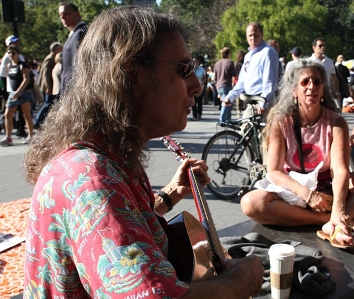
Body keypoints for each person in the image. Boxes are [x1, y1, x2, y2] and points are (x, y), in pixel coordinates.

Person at [23, 6, 263, 299]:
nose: (198, 86)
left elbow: (119, 231)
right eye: (184, 70)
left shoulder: (109, 157)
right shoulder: (91, 178)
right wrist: (242, 279)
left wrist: (171, 193)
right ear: (131, 73)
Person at [240, 59, 354, 248]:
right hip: (296, 193)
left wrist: (337, 205)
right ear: (294, 91)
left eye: (317, 81)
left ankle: (338, 216)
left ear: (323, 90)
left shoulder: (336, 122)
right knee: (250, 203)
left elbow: (339, 170)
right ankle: (327, 220)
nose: (311, 86)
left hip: (330, 192)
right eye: (305, 82)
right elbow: (273, 172)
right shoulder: (281, 123)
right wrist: (307, 194)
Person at [223, 22, 278, 116]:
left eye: (256, 35)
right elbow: (242, 81)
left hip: (262, 101)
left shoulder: (267, 52)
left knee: (246, 129)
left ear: (262, 35)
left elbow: (269, 81)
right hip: (250, 101)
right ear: (246, 36)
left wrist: (263, 103)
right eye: (250, 35)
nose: (253, 38)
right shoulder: (248, 56)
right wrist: (230, 97)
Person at [0, 46, 34, 146]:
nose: (11, 55)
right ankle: (8, 137)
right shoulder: (10, 66)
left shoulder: (23, 65)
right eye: (9, 53)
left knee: (26, 115)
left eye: (13, 53)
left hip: (23, 94)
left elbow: (26, 79)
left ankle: (31, 135)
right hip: (13, 93)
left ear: (18, 54)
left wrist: (18, 92)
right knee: (7, 115)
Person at [1, 35, 27, 138]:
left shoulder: (19, 57)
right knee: (9, 114)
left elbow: (25, 75)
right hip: (13, 90)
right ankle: (10, 135)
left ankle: (21, 131)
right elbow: (3, 73)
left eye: (17, 42)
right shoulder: (7, 57)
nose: (17, 44)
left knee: (24, 114)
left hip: (20, 90)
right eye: (14, 42)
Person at [58, 2, 88, 94]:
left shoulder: (81, 33)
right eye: (60, 15)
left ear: (77, 14)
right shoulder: (74, 35)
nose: (62, 17)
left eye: (65, 13)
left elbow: (80, 65)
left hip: (75, 93)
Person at [34, 42, 62, 129]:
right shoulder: (50, 58)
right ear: (55, 49)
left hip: (51, 86)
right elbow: (46, 74)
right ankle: (37, 121)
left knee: (49, 104)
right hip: (49, 87)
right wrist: (48, 87)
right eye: (60, 48)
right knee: (47, 104)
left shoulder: (52, 57)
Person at [214, 47, 237, 124]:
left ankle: (228, 119)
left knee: (228, 103)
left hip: (219, 85)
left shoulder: (217, 63)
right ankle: (223, 119)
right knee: (226, 103)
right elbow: (234, 74)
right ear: (228, 53)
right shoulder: (230, 62)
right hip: (226, 84)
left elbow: (215, 77)